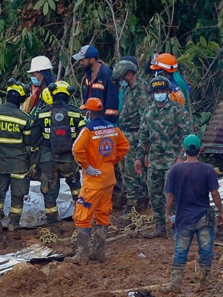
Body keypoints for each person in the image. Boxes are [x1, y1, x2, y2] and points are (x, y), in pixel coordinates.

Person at [160, 134, 223, 293]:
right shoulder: (208, 169)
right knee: (206, 251)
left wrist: (168, 214)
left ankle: (175, 285)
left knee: (181, 251)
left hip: (183, 218)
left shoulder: (175, 170)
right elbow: (215, 194)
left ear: (184, 149)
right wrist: (222, 212)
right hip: (204, 217)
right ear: (200, 149)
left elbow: (170, 196)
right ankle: (204, 282)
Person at [69, 98, 129, 262]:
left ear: (89, 112)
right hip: (108, 178)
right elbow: (124, 145)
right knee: (102, 215)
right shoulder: (113, 128)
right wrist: (111, 162)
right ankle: (99, 252)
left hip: (93, 181)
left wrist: (87, 166)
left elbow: (76, 149)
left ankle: (82, 254)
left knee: (82, 215)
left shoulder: (88, 130)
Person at [134, 76, 192, 238]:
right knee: (155, 195)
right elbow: (144, 136)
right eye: (156, 91)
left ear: (168, 91)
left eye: (162, 91)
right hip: (154, 162)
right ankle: (159, 227)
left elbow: (187, 135)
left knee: (173, 195)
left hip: (173, 162)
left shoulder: (177, 111)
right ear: (152, 93)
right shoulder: (148, 111)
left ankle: (177, 228)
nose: (159, 93)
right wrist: (139, 157)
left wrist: (181, 157)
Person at [30, 81, 86, 224]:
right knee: (75, 187)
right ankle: (82, 215)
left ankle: (53, 222)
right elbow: (84, 135)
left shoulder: (42, 113)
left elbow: (33, 138)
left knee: (50, 191)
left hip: (48, 160)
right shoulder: (76, 112)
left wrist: (35, 158)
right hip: (69, 158)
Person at [0, 79, 32, 235]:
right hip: (19, 163)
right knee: (17, 195)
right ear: (20, 99)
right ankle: (14, 225)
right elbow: (29, 142)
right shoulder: (24, 119)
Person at [112, 58, 151, 215]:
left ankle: (134, 205)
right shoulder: (129, 89)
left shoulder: (142, 90)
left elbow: (145, 118)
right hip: (126, 133)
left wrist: (143, 141)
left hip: (136, 135)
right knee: (125, 171)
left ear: (128, 75)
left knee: (132, 171)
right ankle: (132, 199)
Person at [72, 45, 120, 124]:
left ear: (92, 60)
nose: (80, 63)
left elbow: (112, 101)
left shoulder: (106, 74)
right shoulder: (88, 74)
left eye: (83, 60)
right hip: (91, 119)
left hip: (104, 121)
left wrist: (107, 122)